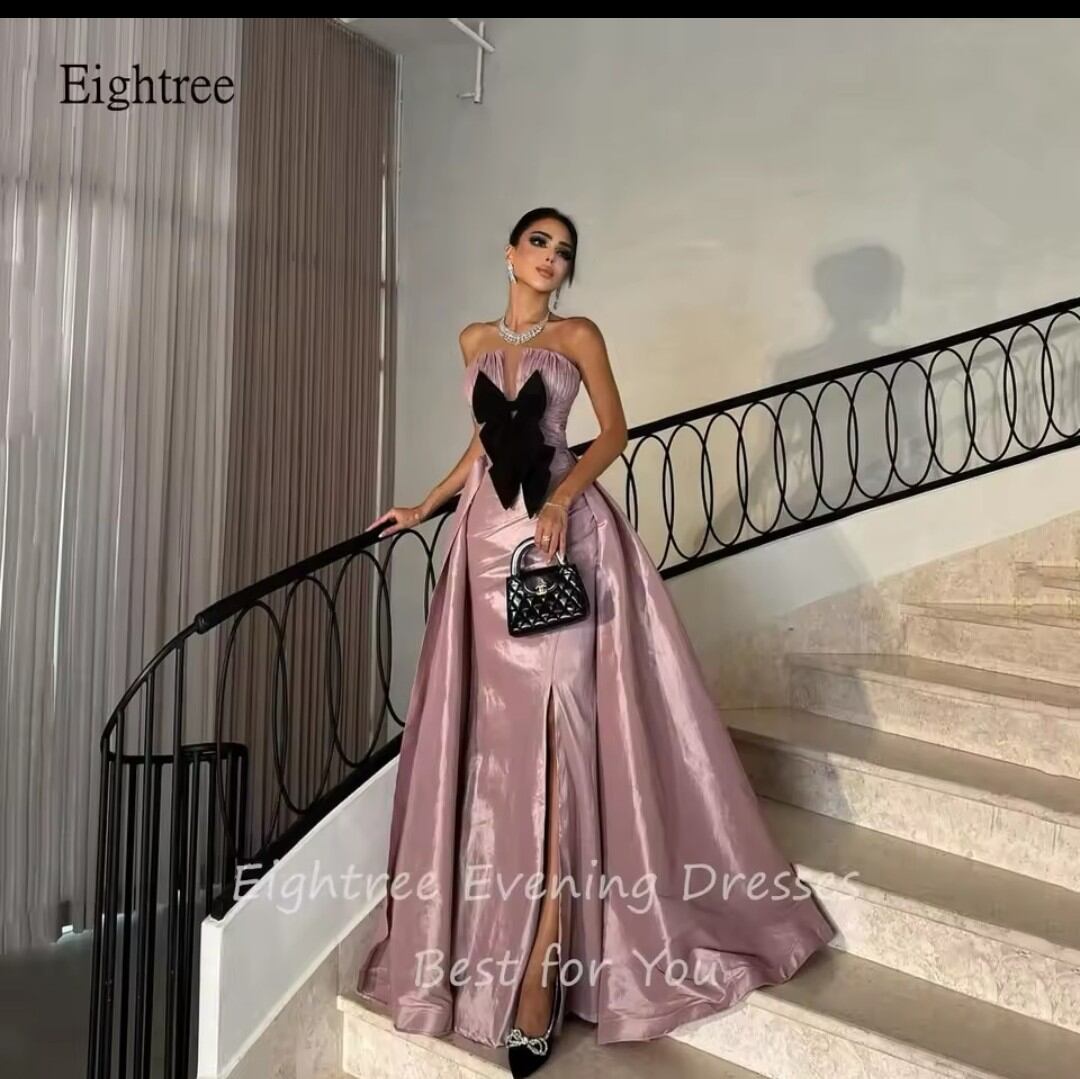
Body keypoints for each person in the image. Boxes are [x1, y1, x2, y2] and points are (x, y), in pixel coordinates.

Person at [356, 207, 835, 1076]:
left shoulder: (578, 335)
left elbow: (611, 430)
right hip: (484, 548)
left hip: (559, 539)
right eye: (539, 243)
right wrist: (425, 504)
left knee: (562, 740)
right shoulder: (472, 339)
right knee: (499, 752)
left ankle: (542, 967)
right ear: (509, 252)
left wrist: (562, 498)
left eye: (564, 251)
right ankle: (491, 937)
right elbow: (483, 445)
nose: (552, 258)